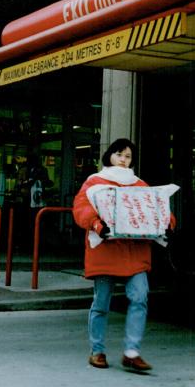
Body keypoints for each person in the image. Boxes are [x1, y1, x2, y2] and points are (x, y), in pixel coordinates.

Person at [73, 137, 157, 373]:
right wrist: (97, 224)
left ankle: (132, 352)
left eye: (128, 156)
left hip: (134, 251)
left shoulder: (140, 184)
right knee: (101, 302)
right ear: (109, 155)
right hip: (106, 250)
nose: (123, 160)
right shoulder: (94, 182)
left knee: (140, 297)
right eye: (119, 154)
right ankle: (96, 351)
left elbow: (156, 207)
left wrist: (167, 221)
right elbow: (81, 208)